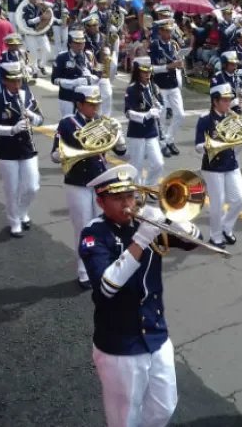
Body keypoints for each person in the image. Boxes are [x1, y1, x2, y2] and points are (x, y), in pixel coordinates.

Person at [79, 164, 202, 427]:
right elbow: (107, 287)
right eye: (118, 198)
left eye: (130, 195)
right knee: (124, 418)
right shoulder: (94, 234)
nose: (128, 203)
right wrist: (141, 240)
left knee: (164, 407)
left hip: (155, 332)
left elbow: (193, 240)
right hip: (120, 342)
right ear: (100, 201)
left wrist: (175, 219)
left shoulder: (144, 221)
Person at [51, 86, 127, 289]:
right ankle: (84, 271)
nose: (96, 108)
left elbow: (121, 152)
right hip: (77, 182)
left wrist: (119, 137)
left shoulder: (102, 123)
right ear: (79, 104)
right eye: (91, 105)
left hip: (101, 180)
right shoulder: (67, 124)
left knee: (104, 226)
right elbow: (55, 156)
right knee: (84, 227)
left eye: (97, 104)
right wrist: (78, 150)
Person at [0, 62, 45, 238]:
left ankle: (22, 212)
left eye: (19, 80)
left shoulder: (27, 95)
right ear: (4, 81)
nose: (17, 84)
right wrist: (12, 130)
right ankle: (14, 221)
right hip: (7, 151)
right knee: (12, 189)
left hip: (27, 147)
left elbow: (40, 120)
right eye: (13, 81)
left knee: (32, 186)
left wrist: (31, 115)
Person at [194, 83, 242, 249]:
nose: (228, 103)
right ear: (215, 101)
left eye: (229, 100)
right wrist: (210, 146)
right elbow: (197, 146)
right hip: (212, 166)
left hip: (231, 163)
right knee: (217, 203)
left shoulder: (233, 117)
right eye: (224, 100)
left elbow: (241, 138)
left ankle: (226, 226)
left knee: (240, 199)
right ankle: (215, 236)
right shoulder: (205, 119)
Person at [124, 57, 165, 187]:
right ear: (138, 73)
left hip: (151, 131)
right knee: (137, 166)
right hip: (136, 132)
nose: (148, 75)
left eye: (149, 72)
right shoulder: (131, 89)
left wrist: (159, 108)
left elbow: (162, 105)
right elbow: (128, 113)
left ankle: (147, 186)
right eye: (144, 72)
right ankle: (136, 192)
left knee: (158, 163)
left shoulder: (154, 87)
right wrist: (146, 115)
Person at [150, 18, 186, 157]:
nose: (169, 33)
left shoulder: (173, 45)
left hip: (173, 84)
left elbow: (176, 61)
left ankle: (169, 139)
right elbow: (151, 68)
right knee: (163, 115)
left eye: (170, 31)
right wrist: (168, 67)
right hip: (161, 86)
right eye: (166, 31)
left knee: (180, 114)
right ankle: (162, 143)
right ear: (160, 31)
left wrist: (179, 64)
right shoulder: (154, 46)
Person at [53, 29, 99, 118]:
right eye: (77, 43)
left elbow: (98, 72)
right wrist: (74, 83)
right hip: (68, 97)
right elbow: (54, 79)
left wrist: (92, 78)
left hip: (86, 98)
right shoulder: (62, 57)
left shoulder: (89, 55)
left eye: (82, 43)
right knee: (69, 123)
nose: (80, 46)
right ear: (70, 43)